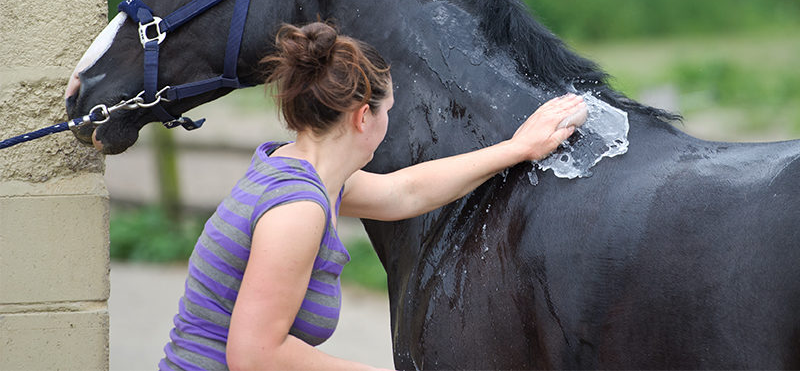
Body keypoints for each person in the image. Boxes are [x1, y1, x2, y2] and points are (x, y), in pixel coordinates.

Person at [159, 21, 586, 371]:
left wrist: (517, 149)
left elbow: (404, 191)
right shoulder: (297, 210)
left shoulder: (294, 168)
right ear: (364, 117)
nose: (389, 121)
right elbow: (255, 356)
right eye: (388, 110)